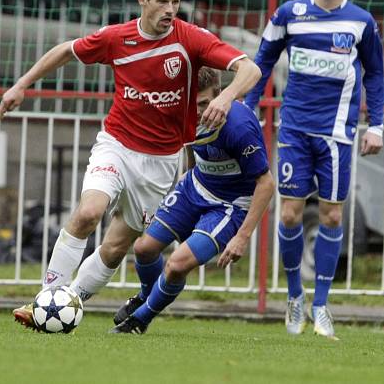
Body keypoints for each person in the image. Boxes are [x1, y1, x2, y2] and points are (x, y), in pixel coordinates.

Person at [0, 0, 262, 329]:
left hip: (160, 162)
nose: (170, 10)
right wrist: (21, 85)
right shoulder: (117, 38)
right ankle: (45, 300)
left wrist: (228, 96)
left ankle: (69, 301)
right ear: (143, 0)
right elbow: (65, 51)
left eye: (176, 2)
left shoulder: (190, 40)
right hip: (117, 144)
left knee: (115, 247)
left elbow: (251, 69)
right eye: (162, 1)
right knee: (89, 212)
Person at [243, 0, 384, 339]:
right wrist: (250, 107)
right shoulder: (289, 13)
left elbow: (375, 75)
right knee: (289, 214)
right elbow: (263, 60)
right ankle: (293, 297)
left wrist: (377, 126)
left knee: (333, 215)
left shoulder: (360, 22)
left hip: (338, 133)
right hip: (294, 128)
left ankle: (321, 304)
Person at [110, 66, 275, 334]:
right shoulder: (184, 112)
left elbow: (266, 183)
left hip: (229, 206)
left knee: (177, 264)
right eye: (193, 104)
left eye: (205, 103)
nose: (199, 111)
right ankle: (145, 295)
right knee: (143, 249)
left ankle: (140, 319)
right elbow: (189, 144)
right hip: (194, 187)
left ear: (220, 94)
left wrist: (242, 237)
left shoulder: (239, 126)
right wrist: (186, 177)